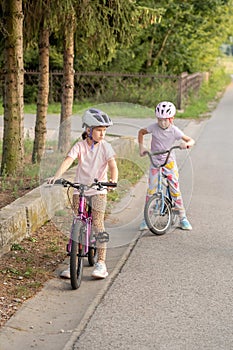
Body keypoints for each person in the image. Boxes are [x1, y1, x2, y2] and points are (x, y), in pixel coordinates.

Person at [48, 108, 118, 279]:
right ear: (88, 130)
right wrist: (56, 176)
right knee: (77, 224)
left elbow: (113, 166)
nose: (102, 134)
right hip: (80, 188)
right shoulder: (79, 146)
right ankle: (74, 262)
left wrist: (113, 181)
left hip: (98, 190)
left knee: (97, 224)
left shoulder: (105, 147)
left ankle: (101, 263)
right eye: (99, 130)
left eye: (104, 130)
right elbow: (68, 160)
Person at [138, 101, 195, 231]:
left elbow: (191, 140)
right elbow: (141, 132)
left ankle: (182, 217)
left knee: (175, 189)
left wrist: (186, 144)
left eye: (165, 120)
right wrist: (141, 147)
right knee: (151, 190)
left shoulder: (174, 131)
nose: (162, 123)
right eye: (159, 120)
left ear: (172, 119)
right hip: (155, 161)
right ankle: (146, 218)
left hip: (169, 162)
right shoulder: (153, 127)